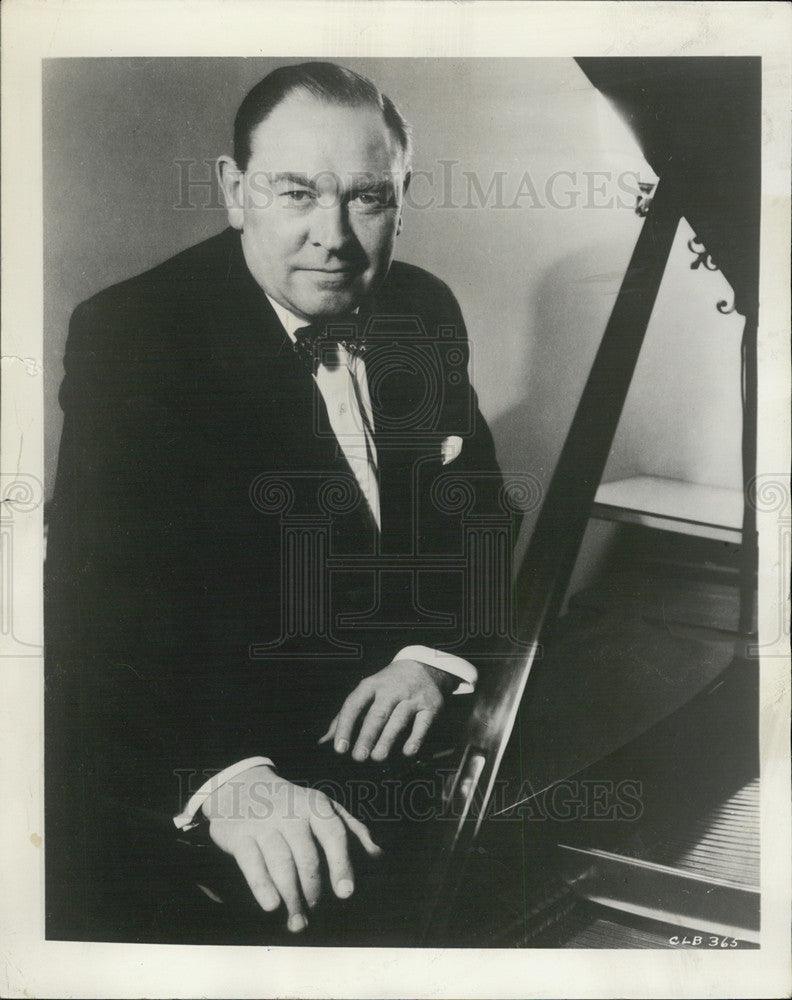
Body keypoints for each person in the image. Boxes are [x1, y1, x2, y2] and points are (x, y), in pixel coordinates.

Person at [45, 62, 514, 945]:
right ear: (235, 191)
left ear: (402, 194)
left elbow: (478, 518)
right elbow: (95, 613)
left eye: (367, 198)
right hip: (224, 762)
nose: (331, 237)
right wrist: (227, 780)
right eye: (296, 192)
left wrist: (432, 653)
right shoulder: (134, 335)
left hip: (406, 749)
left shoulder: (422, 307)